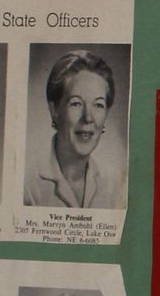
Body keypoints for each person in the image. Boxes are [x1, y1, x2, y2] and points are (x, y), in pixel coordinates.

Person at [24, 49, 124, 208]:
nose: (88, 118)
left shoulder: (114, 187)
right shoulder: (27, 183)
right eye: (76, 103)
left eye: (98, 105)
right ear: (54, 110)